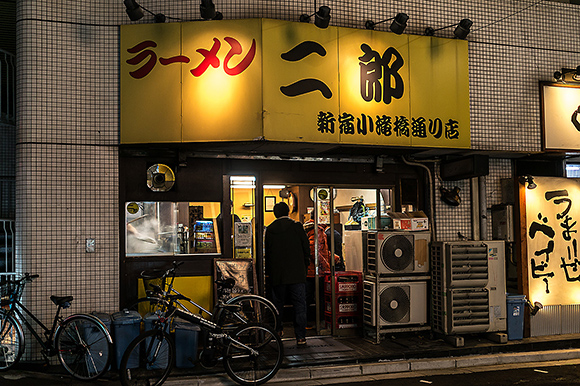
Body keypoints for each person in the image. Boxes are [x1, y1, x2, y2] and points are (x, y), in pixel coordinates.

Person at [264, 202, 310, 345]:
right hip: (297, 274)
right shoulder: (297, 227)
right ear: (289, 211)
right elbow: (306, 248)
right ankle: (301, 336)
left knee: (277, 304)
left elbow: (268, 253)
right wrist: (304, 265)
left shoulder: (270, 230)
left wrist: (269, 272)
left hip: (278, 275)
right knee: (299, 305)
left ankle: (277, 331)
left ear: (274, 214)